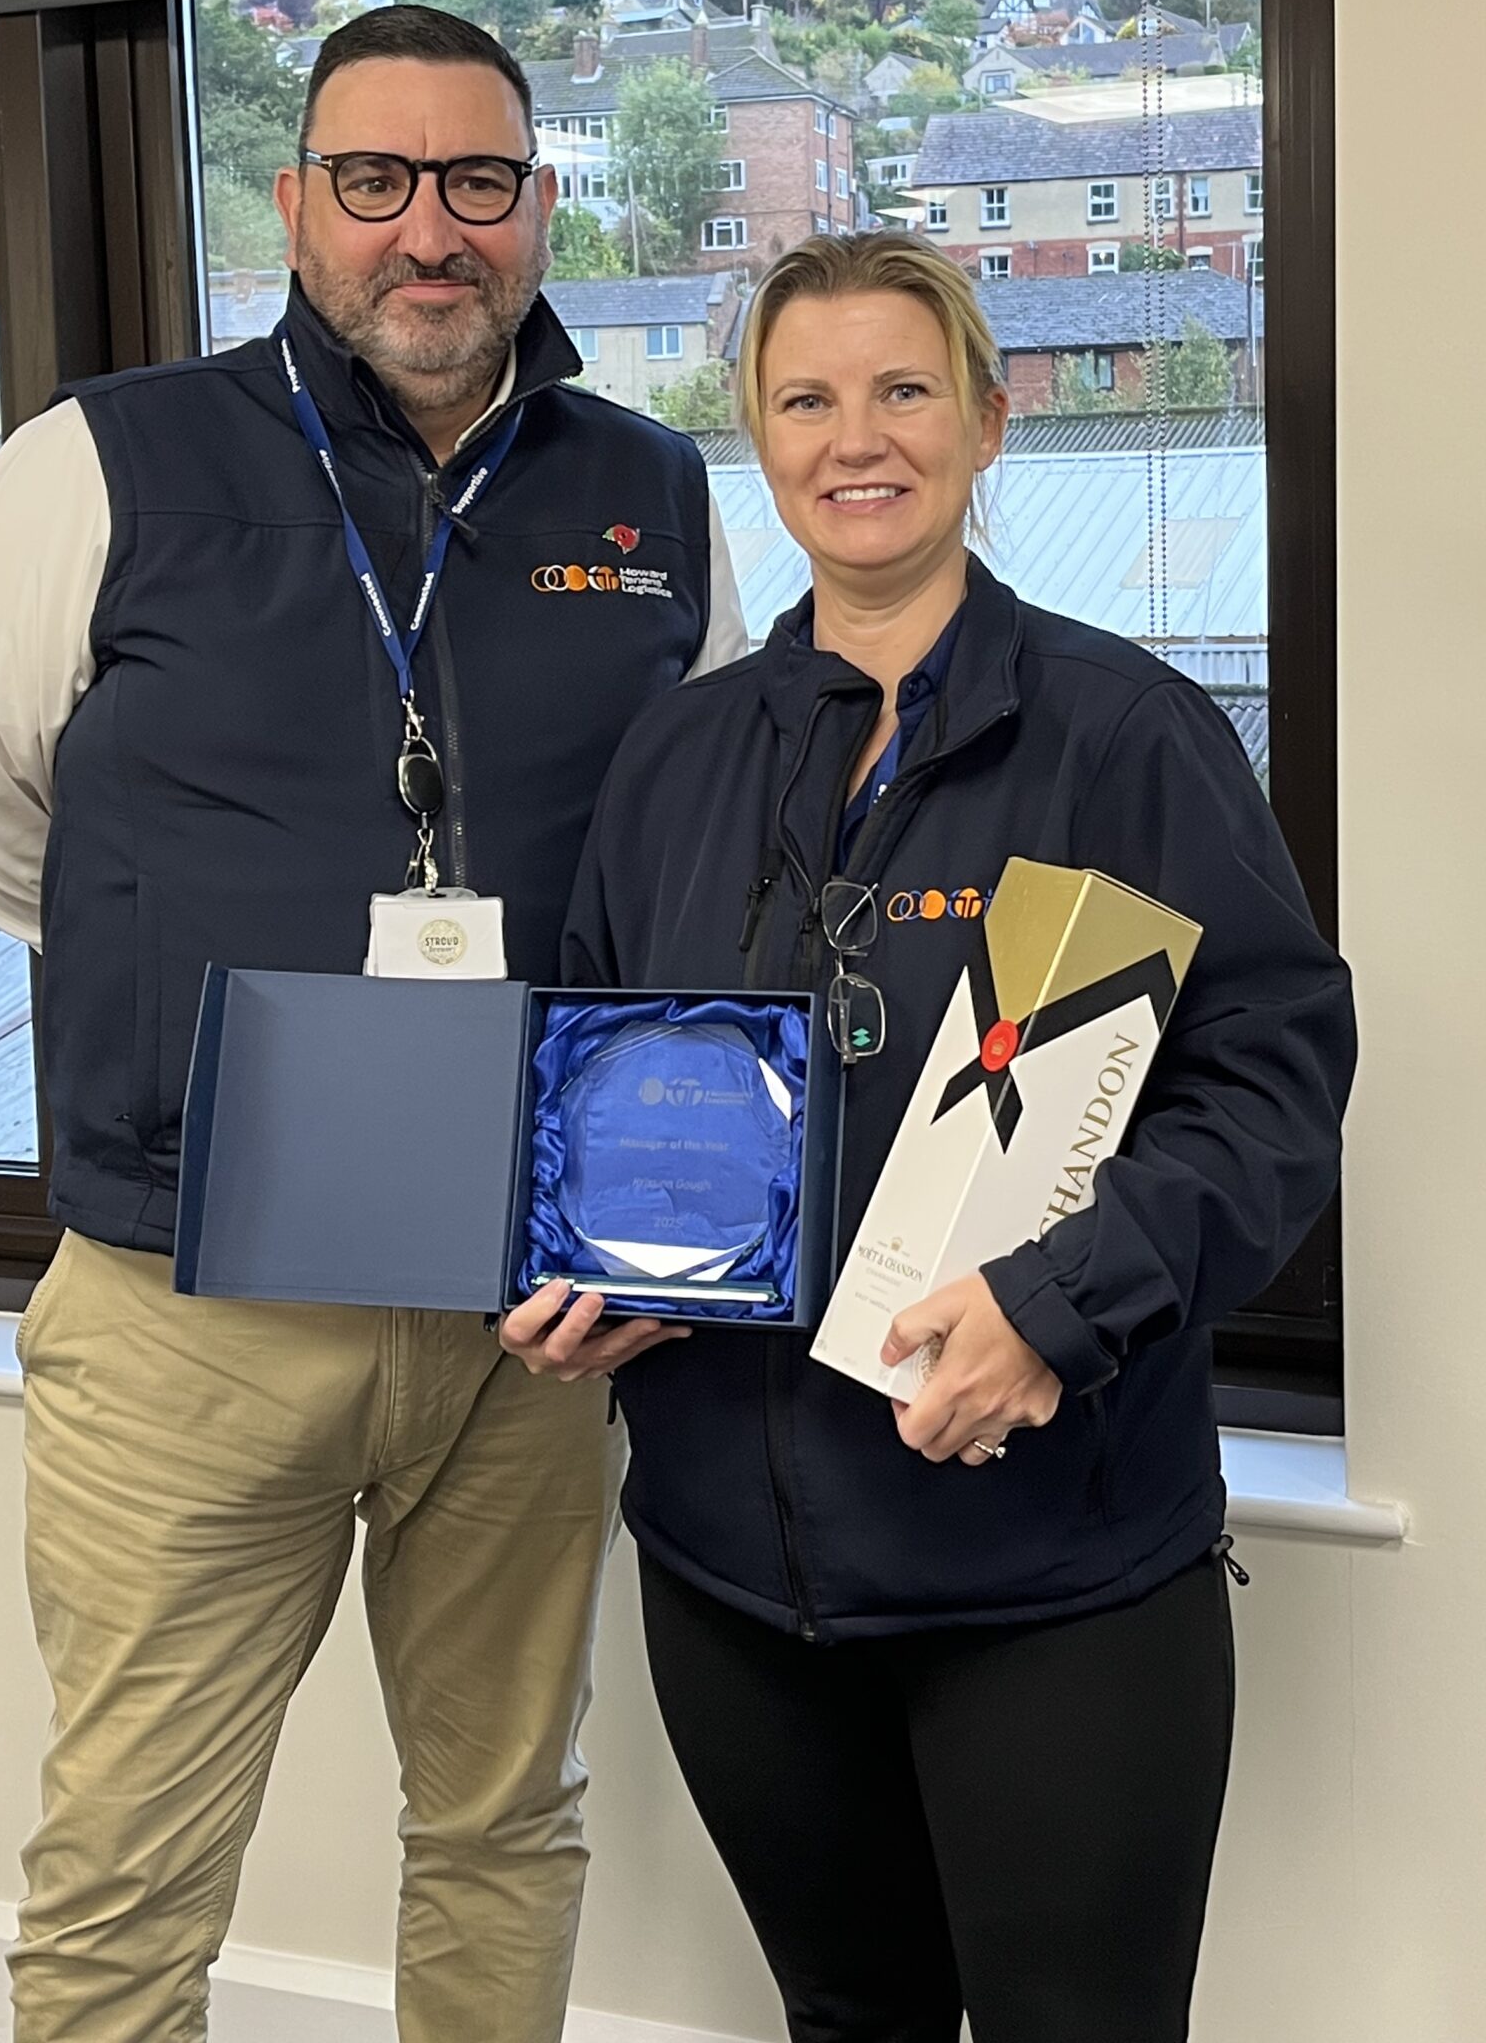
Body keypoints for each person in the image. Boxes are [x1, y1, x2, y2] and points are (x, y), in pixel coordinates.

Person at [0, 3, 747, 2043]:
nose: (426, 230)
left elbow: (689, 862)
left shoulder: (648, 487)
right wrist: (172, 984)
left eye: (475, 182)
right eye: (375, 180)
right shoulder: (99, 460)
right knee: (128, 1867)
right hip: (191, 1303)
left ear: (539, 209)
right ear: (296, 205)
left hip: (522, 1314)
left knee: (506, 1822)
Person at [502, 230, 1356, 2043]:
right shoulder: (680, 755)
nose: (854, 437)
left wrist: (1062, 1304)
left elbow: (1272, 1088)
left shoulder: (1128, 735)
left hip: (1048, 1580)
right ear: (756, 435)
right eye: (805, 398)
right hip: (736, 1575)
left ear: (984, 422)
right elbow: (594, 1063)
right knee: (848, 2022)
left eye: (902, 390)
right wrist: (582, 1266)